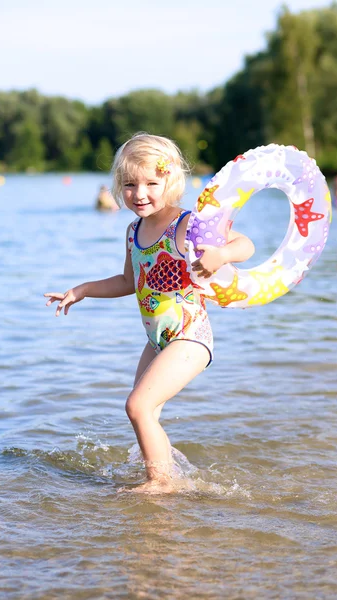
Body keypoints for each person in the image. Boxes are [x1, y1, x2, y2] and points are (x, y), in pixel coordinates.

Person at [44, 133, 255, 494]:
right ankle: (162, 469)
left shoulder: (187, 224)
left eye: (151, 183)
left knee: (137, 405)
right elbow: (129, 280)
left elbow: (245, 245)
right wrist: (82, 290)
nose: (139, 193)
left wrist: (220, 255)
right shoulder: (133, 231)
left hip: (190, 336)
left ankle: (162, 483)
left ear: (170, 181)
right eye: (129, 185)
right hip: (158, 339)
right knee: (145, 412)